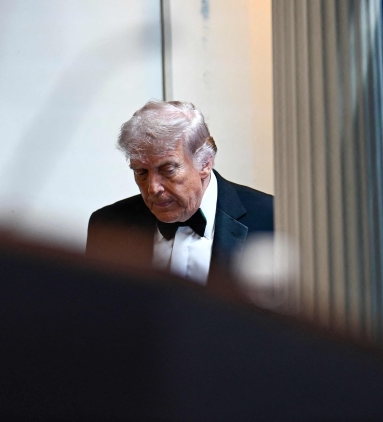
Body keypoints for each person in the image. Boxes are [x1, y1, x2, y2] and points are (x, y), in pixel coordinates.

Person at [86, 100, 273, 285]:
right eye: (141, 172)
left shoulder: (272, 218)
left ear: (205, 163)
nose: (153, 188)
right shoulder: (108, 227)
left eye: (168, 170)